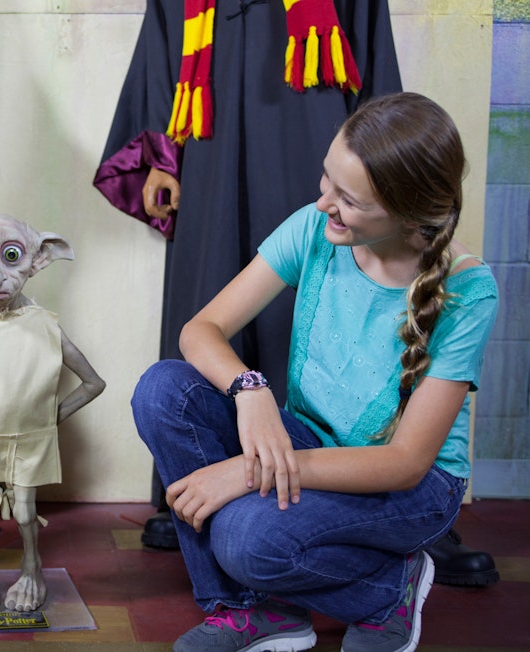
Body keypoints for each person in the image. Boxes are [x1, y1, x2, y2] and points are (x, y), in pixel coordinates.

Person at [130, 93, 498, 652]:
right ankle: (251, 610)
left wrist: (244, 473)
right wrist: (248, 390)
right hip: (311, 441)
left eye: (348, 199)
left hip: (412, 488)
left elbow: (404, 463)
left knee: (245, 538)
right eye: (326, 179)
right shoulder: (315, 228)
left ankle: (387, 591)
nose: (324, 202)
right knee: (163, 391)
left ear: (406, 212)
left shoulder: (468, 292)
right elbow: (199, 330)